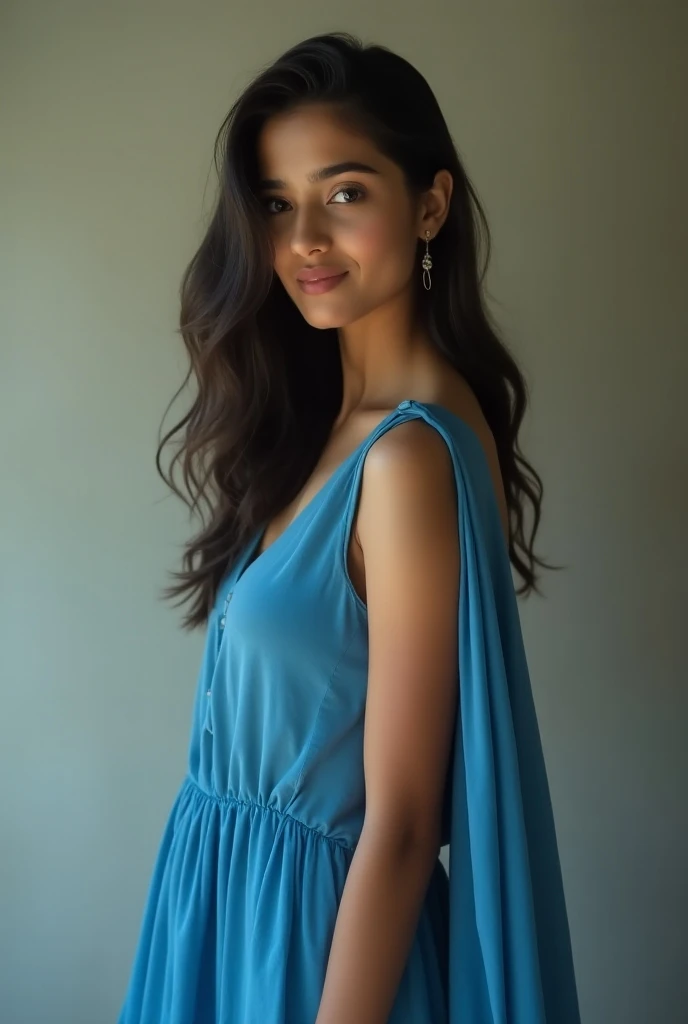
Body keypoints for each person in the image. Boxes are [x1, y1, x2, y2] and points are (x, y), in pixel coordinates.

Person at [117, 31, 580, 1024]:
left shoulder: (409, 459)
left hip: (313, 955)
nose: (304, 243)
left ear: (430, 204)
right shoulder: (336, 428)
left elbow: (405, 822)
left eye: (344, 193)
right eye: (277, 204)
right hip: (223, 915)